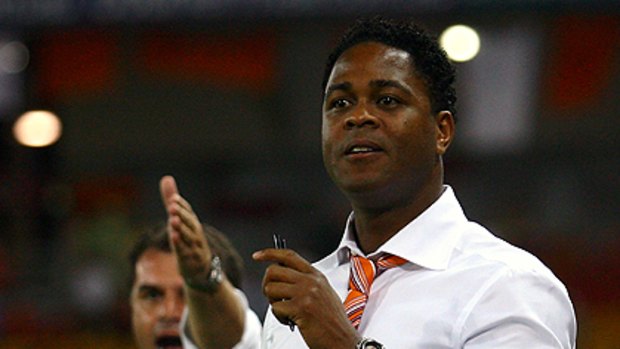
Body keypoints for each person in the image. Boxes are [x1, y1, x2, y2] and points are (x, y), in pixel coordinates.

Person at [249, 16, 577, 348]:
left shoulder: (508, 286)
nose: (357, 116)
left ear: (442, 132)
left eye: (388, 100)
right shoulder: (301, 302)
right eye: (340, 103)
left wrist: (343, 343)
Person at [129, 200, 261, 348]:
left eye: (188, 295)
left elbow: (241, 335)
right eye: (153, 295)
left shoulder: (252, 338)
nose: (169, 312)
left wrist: (204, 275)